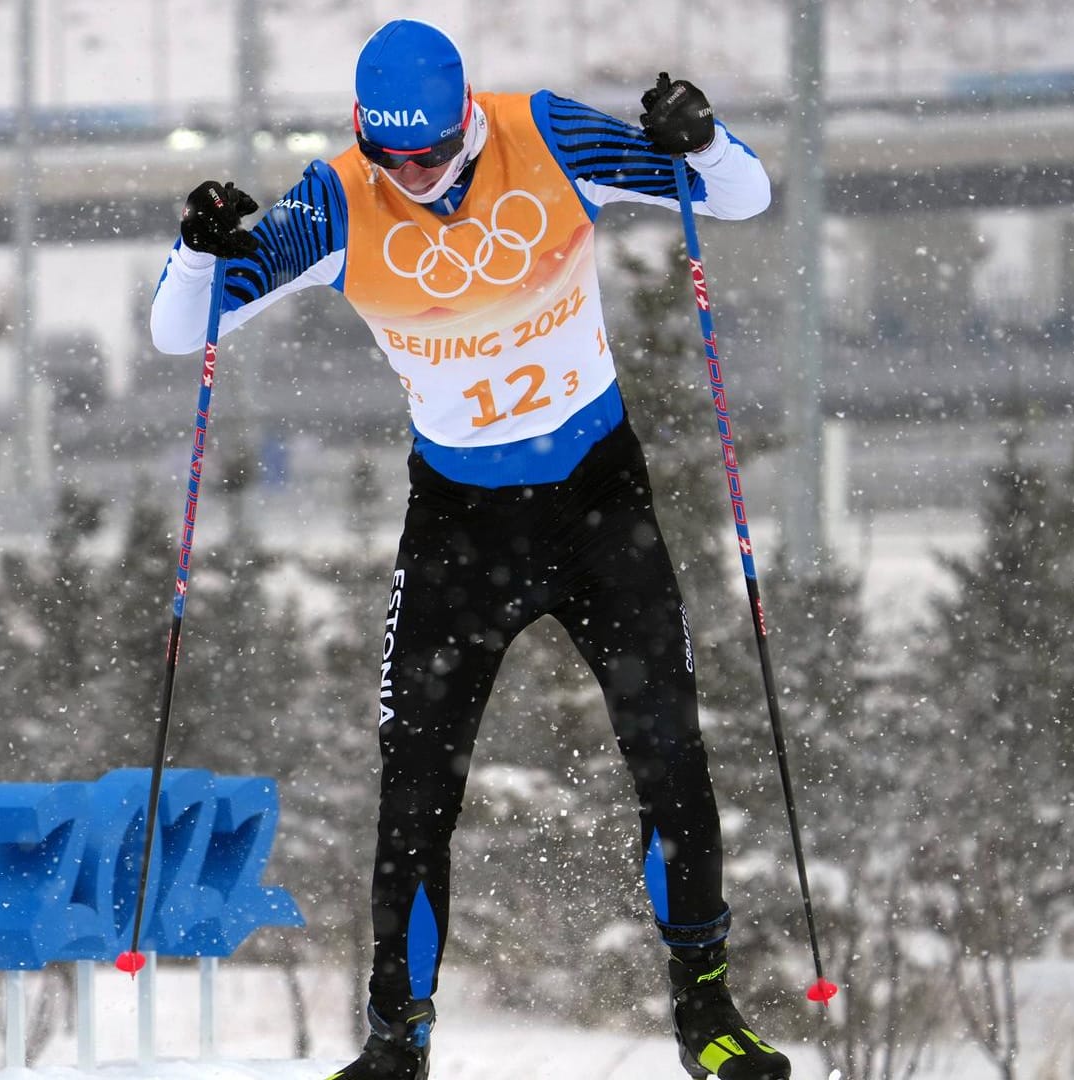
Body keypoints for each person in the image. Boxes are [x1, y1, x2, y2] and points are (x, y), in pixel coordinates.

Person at [148, 19, 784, 1080]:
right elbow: (183, 328)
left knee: (669, 755)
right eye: (392, 155)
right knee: (415, 790)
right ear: (363, 134)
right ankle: (398, 1042)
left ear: (465, 123)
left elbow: (740, 197)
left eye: (434, 155)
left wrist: (702, 141)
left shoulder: (543, 136)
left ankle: (706, 1015)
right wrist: (196, 248)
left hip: (596, 506)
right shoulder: (341, 198)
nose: (417, 178)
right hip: (460, 527)